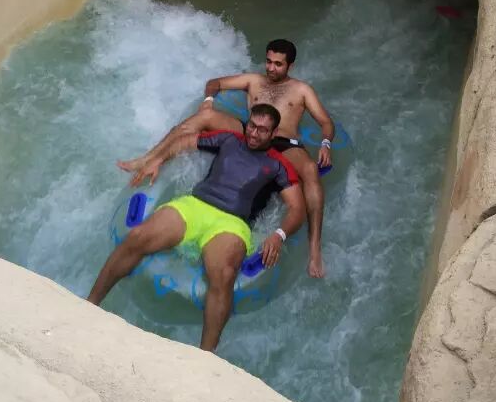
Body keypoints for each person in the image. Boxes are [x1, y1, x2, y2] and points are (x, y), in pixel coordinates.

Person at [88, 104, 305, 351]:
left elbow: (297, 207)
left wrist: (279, 235)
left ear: (274, 133)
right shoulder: (229, 140)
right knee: (138, 236)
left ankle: (205, 355)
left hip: (232, 223)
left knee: (223, 274)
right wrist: (157, 160)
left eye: (262, 130)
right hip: (195, 206)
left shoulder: (278, 165)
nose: (254, 134)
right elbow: (185, 141)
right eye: (252, 126)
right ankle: (90, 304)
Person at [119, 39, 334, 279]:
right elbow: (214, 83)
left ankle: (314, 250)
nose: (271, 68)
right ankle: (149, 159)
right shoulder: (253, 80)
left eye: (278, 64)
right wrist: (208, 101)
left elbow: (325, 122)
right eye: (268, 61)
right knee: (205, 117)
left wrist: (326, 143)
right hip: (249, 132)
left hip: (284, 142)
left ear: (290, 66)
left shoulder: (302, 90)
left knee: (310, 170)